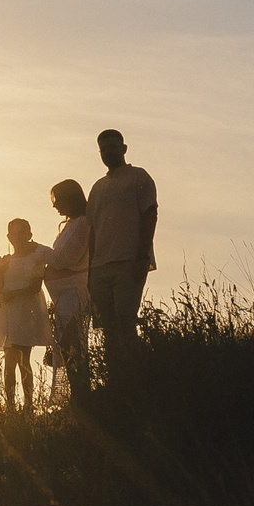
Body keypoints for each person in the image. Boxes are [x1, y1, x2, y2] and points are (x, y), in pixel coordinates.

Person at [83, 129, 157, 386]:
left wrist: (141, 257)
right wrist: (90, 271)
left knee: (125, 324)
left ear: (124, 149)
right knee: (107, 329)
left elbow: (150, 215)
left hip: (128, 262)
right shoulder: (97, 187)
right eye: (104, 149)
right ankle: (115, 382)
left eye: (114, 147)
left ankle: (134, 380)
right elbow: (92, 232)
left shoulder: (139, 177)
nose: (109, 152)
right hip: (100, 267)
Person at [0, 217, 53, 410]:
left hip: (25, 312)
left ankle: (29, 405)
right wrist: (1, 293)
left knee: (24, 359)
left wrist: (12, 294)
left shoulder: (34, 258)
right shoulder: (4, 261)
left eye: (22, 232)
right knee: (9, 362)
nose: (18, 236)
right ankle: (10, 406)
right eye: (14, 233)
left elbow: (35, 286)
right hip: (7, 313)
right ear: (9, 236)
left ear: (29, 234)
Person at [42, 179, 92, 400]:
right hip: (64, 296)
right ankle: (76, 396)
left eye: (57, 200)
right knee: (67, 346)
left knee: (72, 347)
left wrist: (36, 250)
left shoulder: (82, 224)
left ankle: (81, 397)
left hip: (73, 294)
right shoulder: (71, 225)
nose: (55, 206)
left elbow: (62, 259)